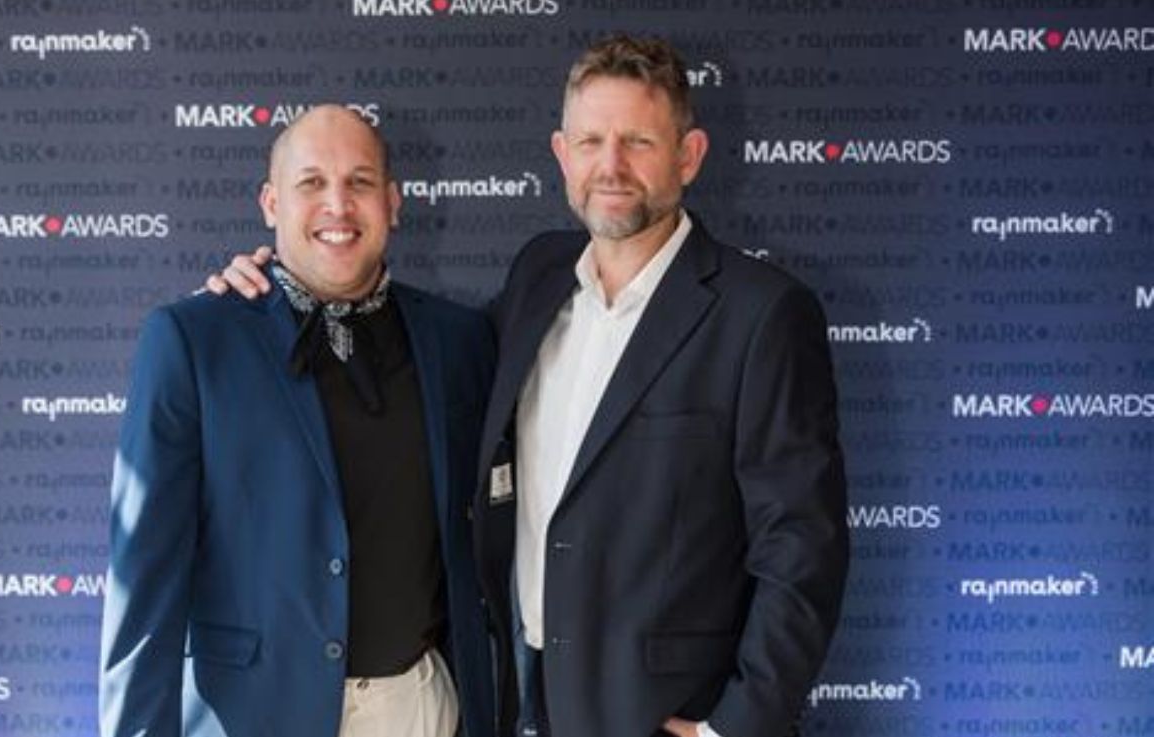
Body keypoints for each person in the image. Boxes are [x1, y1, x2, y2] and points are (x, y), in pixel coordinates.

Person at [209, 36, 848, 737]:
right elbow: (397, 338)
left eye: (638, 141)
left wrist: (734, 728)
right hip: (521, 698)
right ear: (561, 154)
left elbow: (801, 547)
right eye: (591, 141)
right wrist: (277, 289)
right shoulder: (537, 279)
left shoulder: (761, 313)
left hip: (664, 712)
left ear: (688, 156)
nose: (611, 166)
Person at [101, 106, 496, 737]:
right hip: (250, 716)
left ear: (393, 202)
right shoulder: (196, 339)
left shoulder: (460, 341)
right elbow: (142, 577)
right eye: (311, 183)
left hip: (418, 710)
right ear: (271, 203)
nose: (337, 205)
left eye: (360, 182)